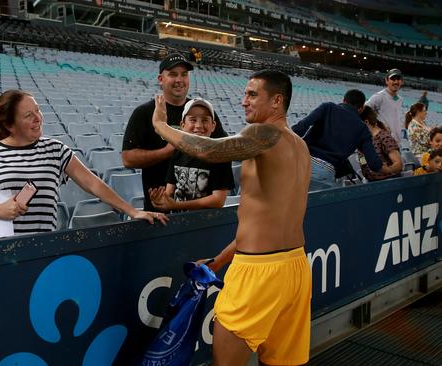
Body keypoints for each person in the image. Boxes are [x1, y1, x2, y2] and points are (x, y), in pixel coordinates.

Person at [152, 70, 312, 365]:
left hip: (259, 274)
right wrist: (218, 262)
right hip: (296, 268)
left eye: (252, 94)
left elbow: (211, 150)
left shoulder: (263, 133)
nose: (243, 101)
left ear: (277, 101)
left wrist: (161, 125)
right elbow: (262, 222)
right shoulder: (300, 146)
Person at [0, 90, 166, 243]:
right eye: (28, 115)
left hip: (38, 248)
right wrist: (0, 210)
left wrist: (131, 211)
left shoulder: (55, 149)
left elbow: (92, 183)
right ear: (9, 125)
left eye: (37, 110)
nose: (37, 118)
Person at [122, 53, 228, 211]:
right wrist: (168, 151)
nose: (179, 80)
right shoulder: (144, 113)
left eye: (184, 74)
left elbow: (222, 150)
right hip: (159, 209)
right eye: (172, 74)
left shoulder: (202, 113)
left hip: (201, 212)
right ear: (160, 79)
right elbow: (128, 159)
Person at [148, 98, 233, 212]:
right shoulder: (178, 152)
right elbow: (170, 190)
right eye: (193, 120)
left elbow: (218, 200)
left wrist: (176, 206)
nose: (198, 126)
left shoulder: (220, 156)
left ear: (213, 125)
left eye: (205, 120)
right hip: (178, 221)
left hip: (206, 224)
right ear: (182, 125)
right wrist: (161, 200)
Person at [291, 89, 383, 189]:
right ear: (361, 109)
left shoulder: (328, 107)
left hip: (299, 162)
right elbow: (374, 164)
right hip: (324, 172)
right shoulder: (363, 129)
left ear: (343, 100)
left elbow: (299, 128)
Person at [358, 106, 402, 181]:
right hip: (371, 182)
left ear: (366, 122)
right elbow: (362, 159)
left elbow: (399, 164)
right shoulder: (363, 139)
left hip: (388, 182)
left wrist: (388, 170)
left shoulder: (384, 137)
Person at [365, 68, 404, 143]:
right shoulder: (379, 96)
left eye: (398, 79)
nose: (396, 82)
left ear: (401, 82)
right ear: (386, 81)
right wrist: (378, 125)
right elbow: (365, 110)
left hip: (395, 141)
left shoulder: (400, 99)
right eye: (393, 79)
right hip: (382, 140)